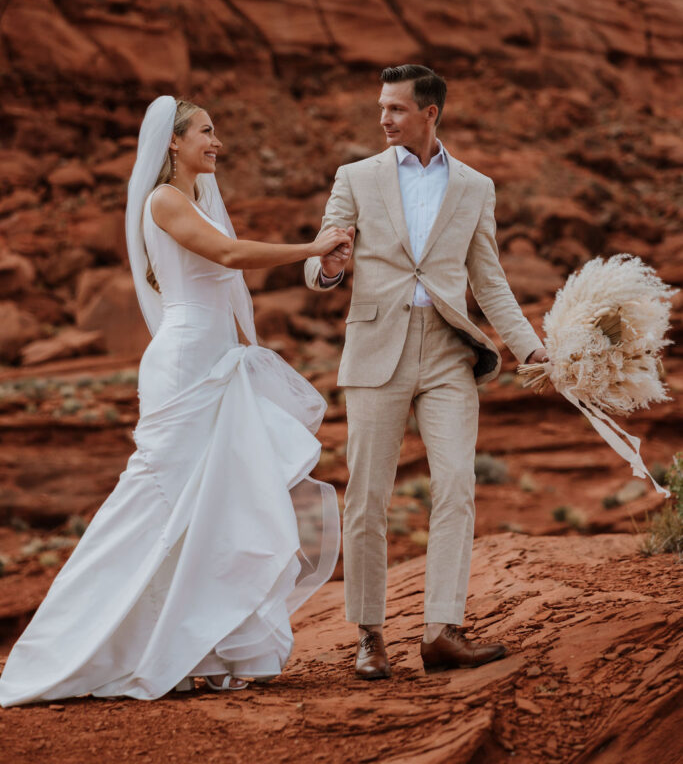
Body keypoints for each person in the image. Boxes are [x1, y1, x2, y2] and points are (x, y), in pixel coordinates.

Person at [0, 95, 350, 705]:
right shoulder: (165, 201)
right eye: (207, 132)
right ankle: (61, 649)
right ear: (173, 142)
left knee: (212, 507)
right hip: (186, 364)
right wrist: (314, 248)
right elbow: (232, 257)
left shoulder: (196, 201)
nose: (217, 142)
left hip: (215, 360)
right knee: (153, 502)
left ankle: (197, 650)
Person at [305, 65, 549, 679]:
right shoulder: (354, 177)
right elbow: (317, 265)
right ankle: (369, 636)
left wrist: (532, 347)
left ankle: (443, 630)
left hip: (447, 349)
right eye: (381, 108)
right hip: (375, 346)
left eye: (395, 109)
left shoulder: (474, 186)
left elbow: (487, 278)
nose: (383, 119)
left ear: (429, 113)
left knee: (457, 487)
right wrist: (331, 265)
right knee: (367, 497)